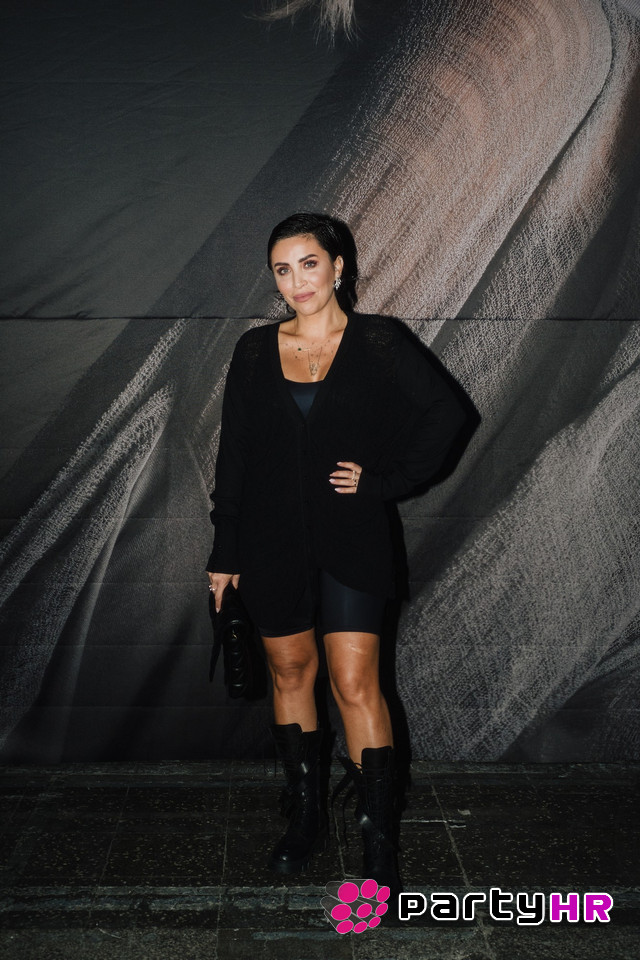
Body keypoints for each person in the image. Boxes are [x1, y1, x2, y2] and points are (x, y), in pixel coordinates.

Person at [206, 212, 465, 892]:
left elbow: (447, 414)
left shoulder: (378, 341)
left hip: (353, 537)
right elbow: (233, 454)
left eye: (309, 263)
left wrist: (385, 483)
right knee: (290, 672)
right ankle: (306, 815)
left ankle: (378, 836)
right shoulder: (255, 351)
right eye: (282, 270)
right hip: (267, 541)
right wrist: (224, 551)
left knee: (354, 683)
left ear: (338, 266)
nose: (297, 281)